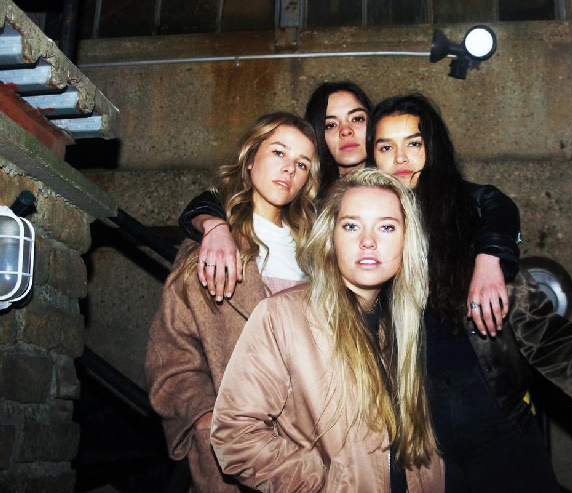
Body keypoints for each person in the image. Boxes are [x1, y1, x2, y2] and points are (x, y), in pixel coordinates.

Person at [368, 94, 572, 492]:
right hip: (414, 423)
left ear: (434, 147)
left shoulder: (471, 229)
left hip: (492, 409)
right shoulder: (366, 237)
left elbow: (543, 332)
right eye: (386, 147)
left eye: (414, 143)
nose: (401, 158)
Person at [179, 81, 518, 337]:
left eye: (357, 118)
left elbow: (490, 201)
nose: (345, 131)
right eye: (330, 124)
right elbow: (225, 195)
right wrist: (214, 226)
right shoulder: (307, 196)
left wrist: (490, 258)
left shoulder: (405, 182)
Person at [210, 169, 444, 492]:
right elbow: (235, 434)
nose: (368, 241)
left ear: (407, 240)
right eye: (351, 226)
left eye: (386, 227)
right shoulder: (282, 317)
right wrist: (326, 485)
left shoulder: (402, 324)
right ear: (331, 238)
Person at [144, 112, 320, 493]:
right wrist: (204, 421)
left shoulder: (318, 253)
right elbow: (171, 356)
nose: (289, 169)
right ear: (251, 158)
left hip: (309, 449)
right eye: (279, 152)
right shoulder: (209, 248)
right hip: (233, 458)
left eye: (302, 163)